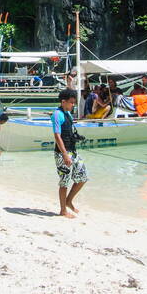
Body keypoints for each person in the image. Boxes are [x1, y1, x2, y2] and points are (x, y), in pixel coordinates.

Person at [50, 89, 88, 218]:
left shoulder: (68, 114)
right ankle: (63, 211)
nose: (73, 105)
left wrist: (77, 137)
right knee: (64, 181)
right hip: (62, 153)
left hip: (73, 151)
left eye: (74, 103)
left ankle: (68, 201)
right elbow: (57, 136)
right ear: (63, 102)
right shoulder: (57, 114)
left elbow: (69, 131)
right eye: (71, 103)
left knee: (83, 177)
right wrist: (65, 154)